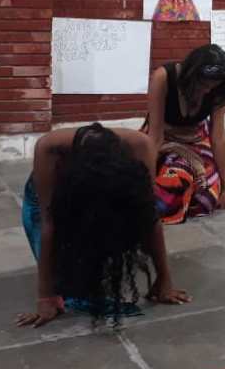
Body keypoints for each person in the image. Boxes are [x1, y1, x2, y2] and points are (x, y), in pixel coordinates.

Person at [16, 123, 189, 328]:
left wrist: (164, 279)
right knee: (69, 290)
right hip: (47, 200)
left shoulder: (141, 147)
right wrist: (46, 295)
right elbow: (49, 221)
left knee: (104, 246)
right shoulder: (49, 148)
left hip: (106, 196)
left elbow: (149, 215)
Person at [145, 44, 225, 223]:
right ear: (190, 75)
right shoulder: (163, 77)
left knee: (206, 197)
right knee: (174, 183)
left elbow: (218, 137)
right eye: (203, 85)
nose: (208, 90)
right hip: (164, 139)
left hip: (197, 139)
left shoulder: (219, 88)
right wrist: (148, 184)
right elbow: (155, 136)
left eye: (213, 86)